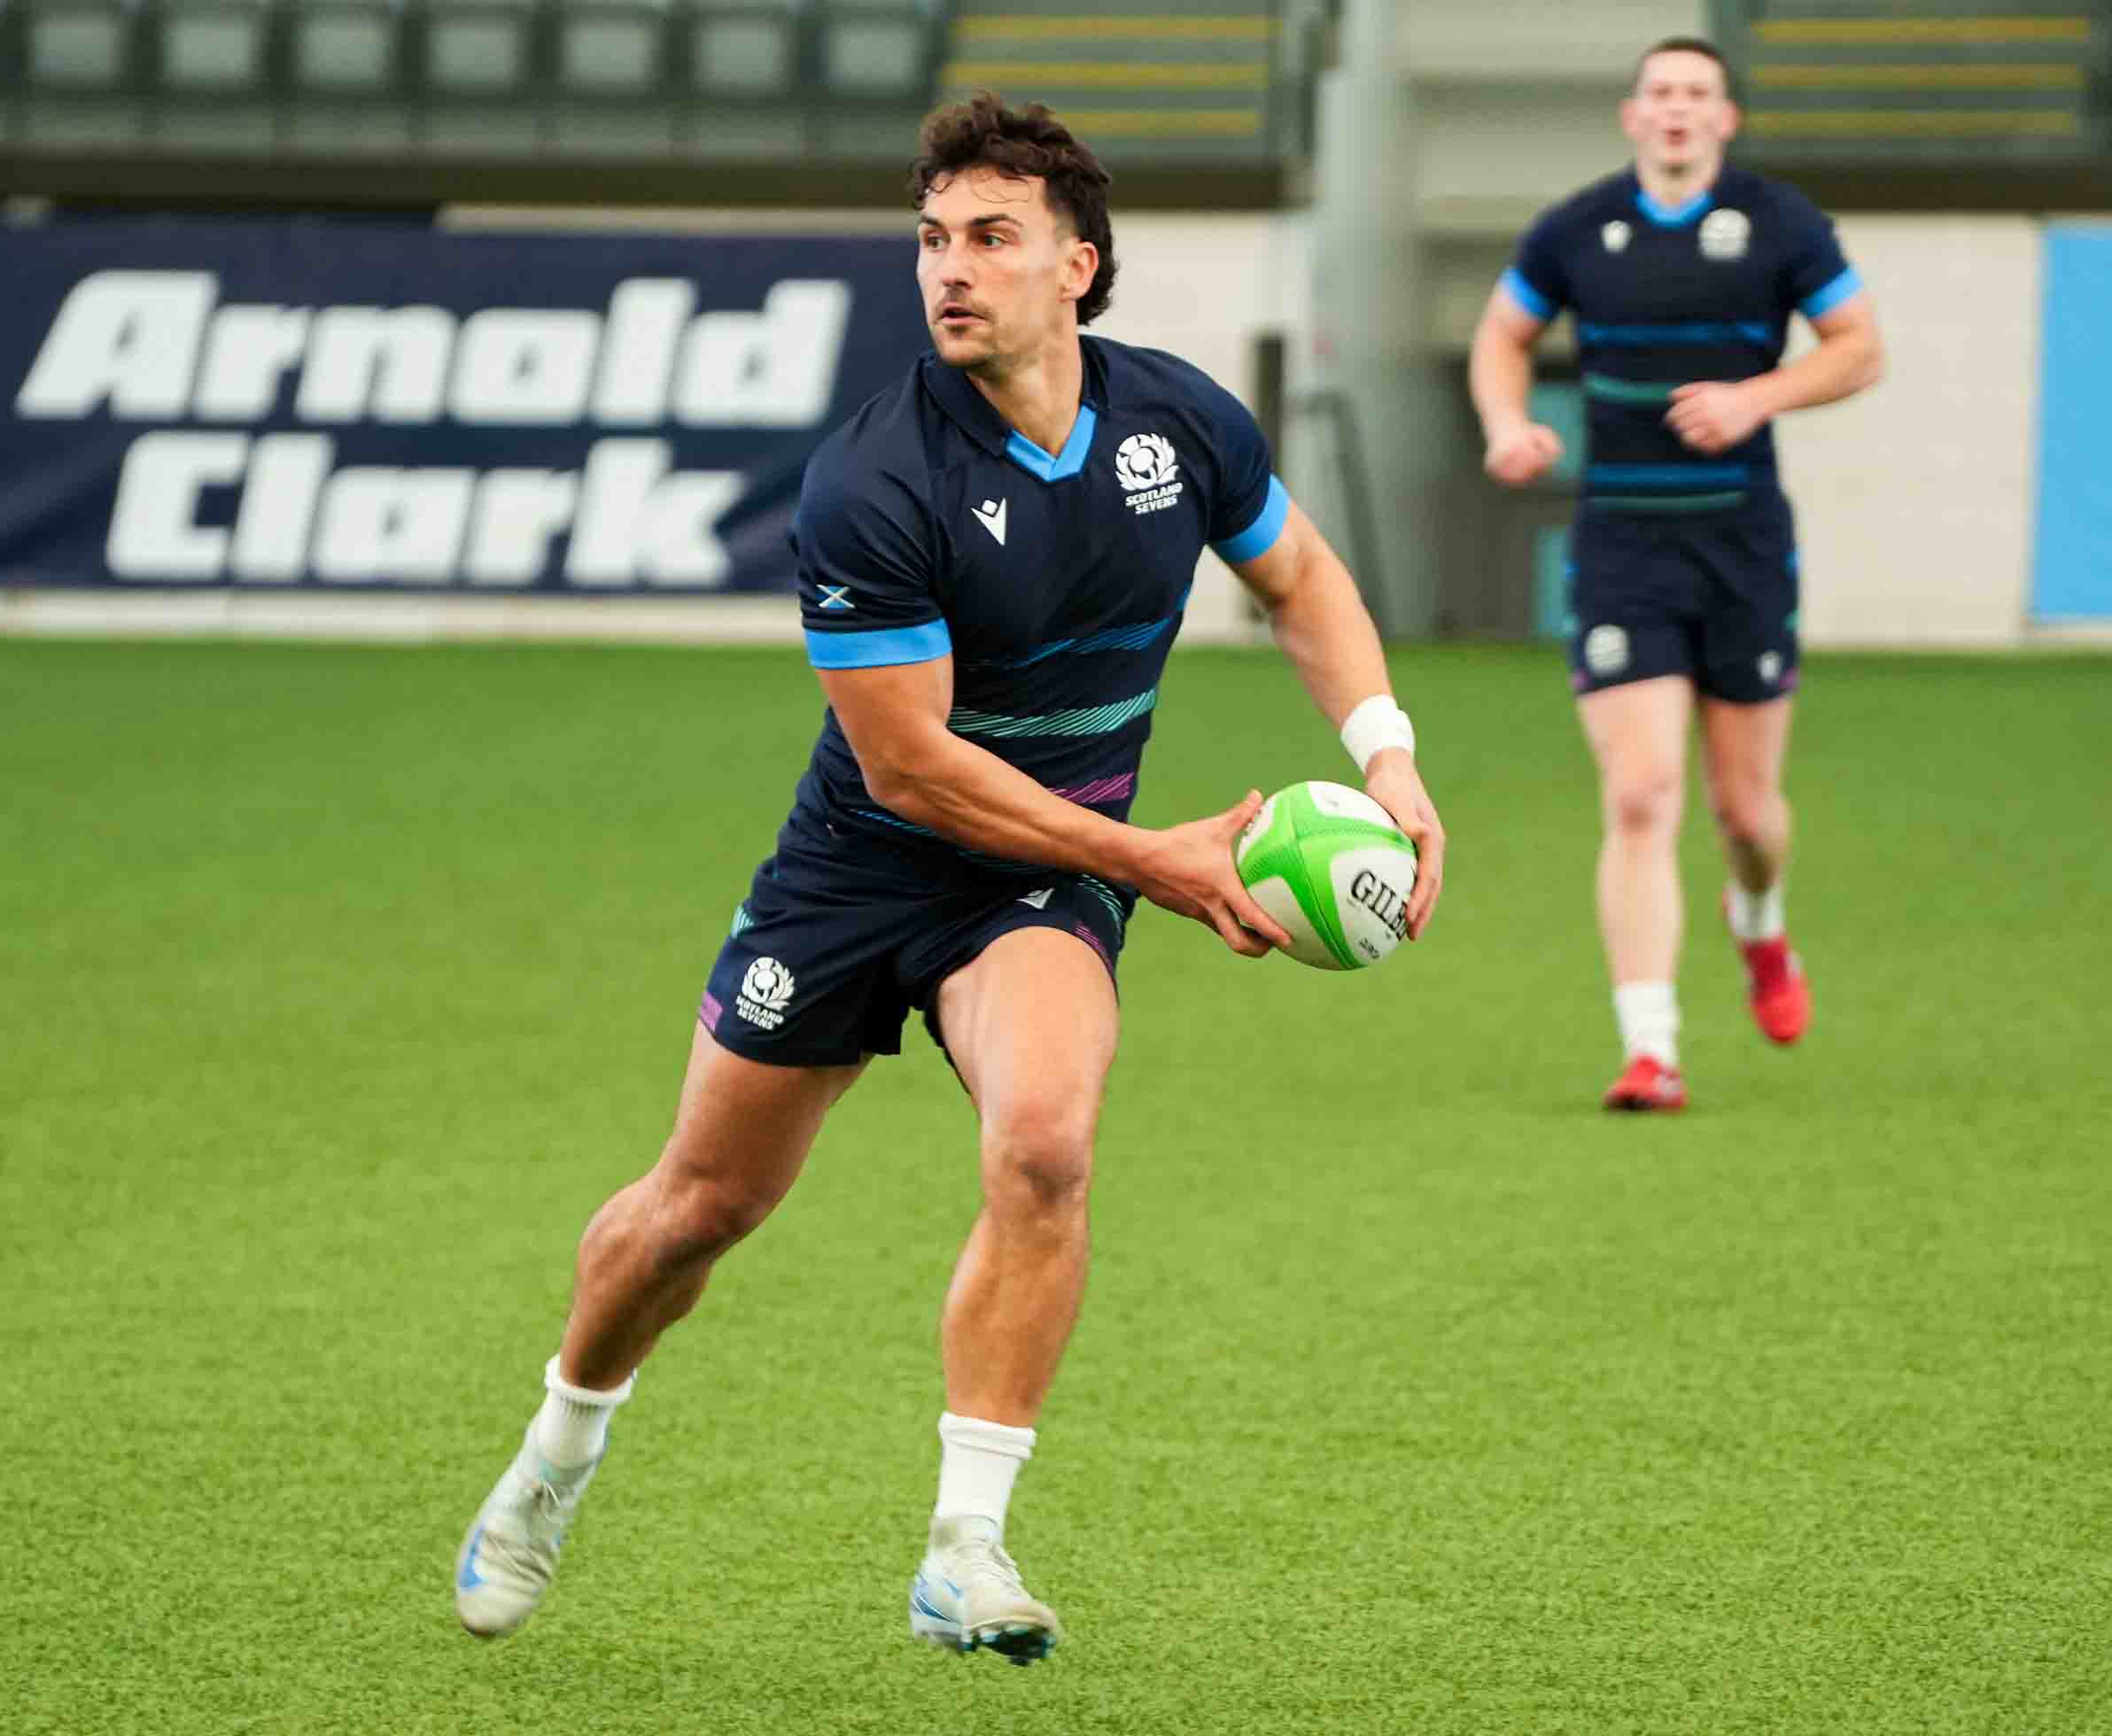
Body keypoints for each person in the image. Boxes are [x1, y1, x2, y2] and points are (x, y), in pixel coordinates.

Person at [448, 94, 1447, 1664]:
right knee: (696, 1212)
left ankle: (963, 1547)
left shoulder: (1176, 425)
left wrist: (1384, 753)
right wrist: (1154, 862)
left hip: (1033, 887)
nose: (948, 271)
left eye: (990, 237)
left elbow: (1299, 576)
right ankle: (555, 1453)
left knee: (1045, 1144)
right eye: (930, 240)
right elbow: (910, 767)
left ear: (1079, 266)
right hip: (861, 874)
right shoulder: (872, 483)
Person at [1464, 35, 1883, 1112]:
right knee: (1643, 794)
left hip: (1741, 547)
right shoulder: (1576, 228)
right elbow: (1501, 336)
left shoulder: (1782, 223)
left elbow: (1857, 347)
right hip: (1620, 549)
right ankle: (1651, 1048)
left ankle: (1760, 924)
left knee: (1745, 815)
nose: (1679, 110)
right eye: (1662, 94)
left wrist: (1758, 397)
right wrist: (1507, 422)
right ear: (1632, 116)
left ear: (1726, 118)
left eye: (1699, 94)